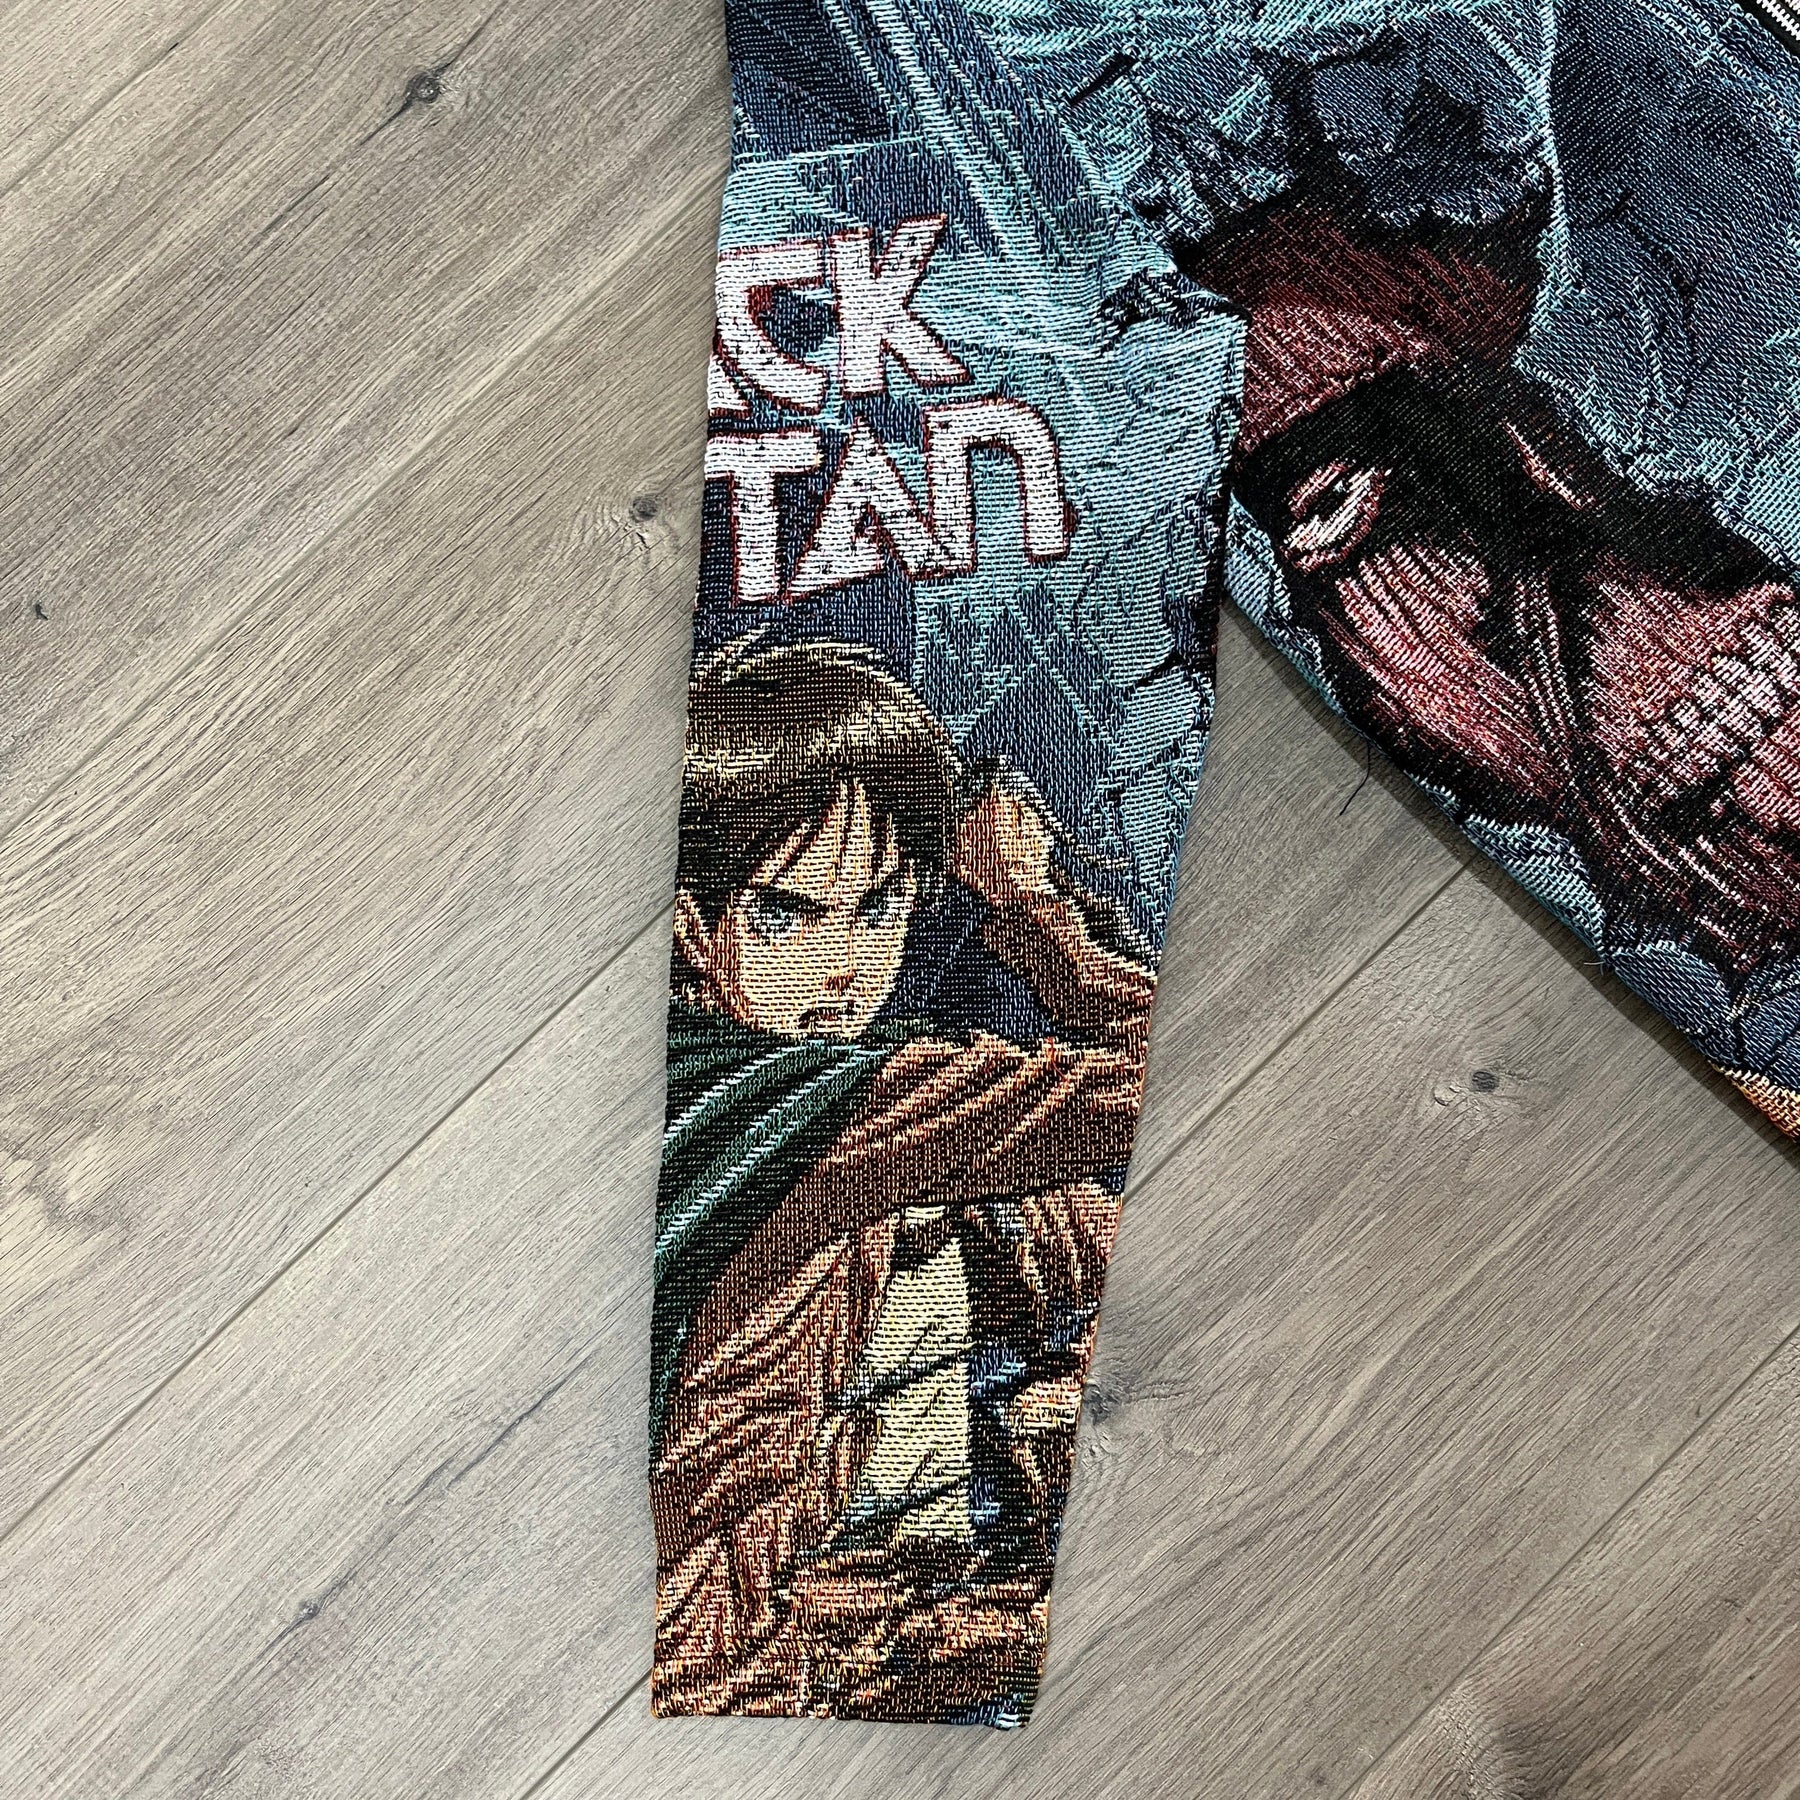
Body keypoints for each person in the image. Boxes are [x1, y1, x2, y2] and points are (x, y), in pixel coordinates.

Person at [649, 635, 1156, 1721]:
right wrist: (1030, 909)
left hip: (846, 1630)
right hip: (739, 1667)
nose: (843, 964)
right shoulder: (806, 1100)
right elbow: (1152, 1077)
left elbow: (1077, 1224)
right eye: (785, 915)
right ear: (692, 925)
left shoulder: (869, 1110)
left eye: (879, 908)